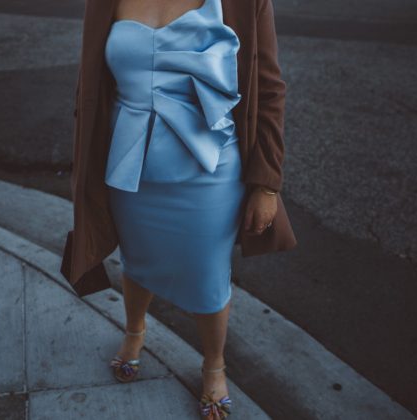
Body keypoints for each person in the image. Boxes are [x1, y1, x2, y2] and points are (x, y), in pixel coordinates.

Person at [62, 0, 296, 418]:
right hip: (130, 169)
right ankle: (135, 332)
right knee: (138, 261)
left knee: (207, 277)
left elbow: (270, 86)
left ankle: (213, 365)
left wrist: (267, 184)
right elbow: (93, 82)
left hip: (211, 174)